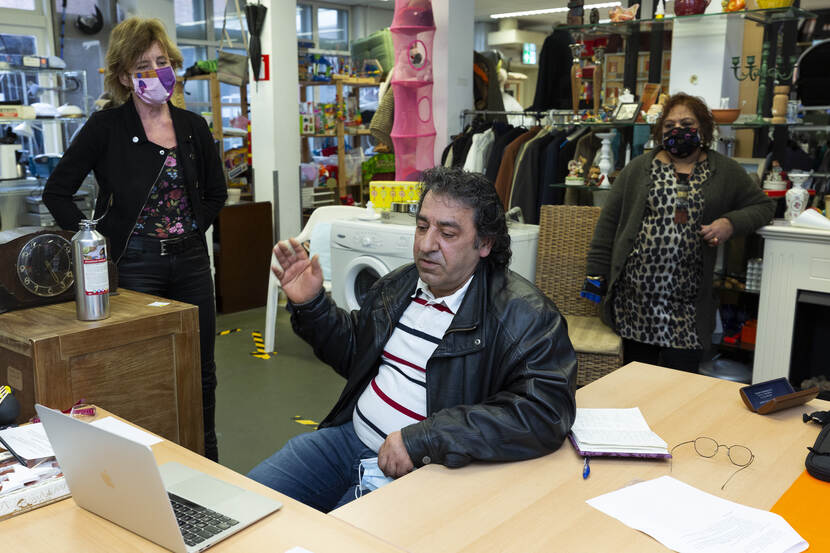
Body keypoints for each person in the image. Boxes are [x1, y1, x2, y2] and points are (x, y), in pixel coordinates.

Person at [249, 167, 576, 512]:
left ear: (485, 243)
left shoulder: (525, 315)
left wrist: (424, 439)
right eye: (422, 227)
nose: (426, 244)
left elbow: (544, 412)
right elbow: (354, 353)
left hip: (418, 471)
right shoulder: (401, 284)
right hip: (346, 439)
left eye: (447, 233)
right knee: (242, 506)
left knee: (326, 540)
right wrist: (312, 304)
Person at [43, 17, 227, 461]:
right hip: (134, 266)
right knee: (141, 367)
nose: (157, 71)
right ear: (125, 76)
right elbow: (58, 191)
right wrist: (91, 241)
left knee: (201, 370)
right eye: (143, 64)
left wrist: (188, 230)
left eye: (162, 61)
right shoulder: (106, 127)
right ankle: (143, 462)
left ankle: (205, 457)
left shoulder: (191, 126)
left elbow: (216, 192)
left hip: (191, 265)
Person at [585, 93, 775, 372]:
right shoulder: (639, 168)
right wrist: (594, 278)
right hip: (635, 304)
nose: (678, 131)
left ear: (704, 129)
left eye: (687, 124)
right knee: (635, 383)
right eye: (669, 125)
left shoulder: (723, 170)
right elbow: (608, 226)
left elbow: (764, 206)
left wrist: (729, 223)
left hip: (688, 308)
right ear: (660, 130)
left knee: (680, 386)